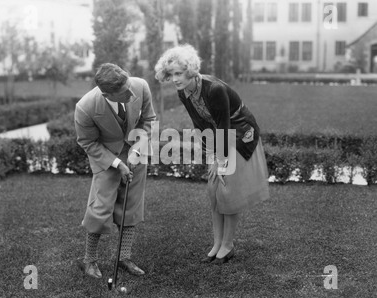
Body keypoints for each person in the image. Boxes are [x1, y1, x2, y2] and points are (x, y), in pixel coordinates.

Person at [154, 44, 270, 264]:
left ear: (190, 70)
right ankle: (217, 243)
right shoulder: (183, 92)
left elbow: (225, 127)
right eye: (171, 74)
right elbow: (201, 124)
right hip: (218, 133)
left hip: (240, 132)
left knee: (227, 190)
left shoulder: (214, 89)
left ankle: (228, 245)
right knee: (212, 190)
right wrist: (211, 156)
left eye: (179, 73)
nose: (176, 79)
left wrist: (221, 160)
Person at [74, 63, 156, 278]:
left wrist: (137, 150)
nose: (131, 93)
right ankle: (89, 260)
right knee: (100, 210)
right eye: (124, 93)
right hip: (106, 158)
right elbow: (88, 142)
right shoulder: (86, 107)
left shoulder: (140, 86)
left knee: (131, 207)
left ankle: (124, 257)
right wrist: (117, 164)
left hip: (135, 154)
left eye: (129, 86)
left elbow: (149, 120)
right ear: (106, 93)